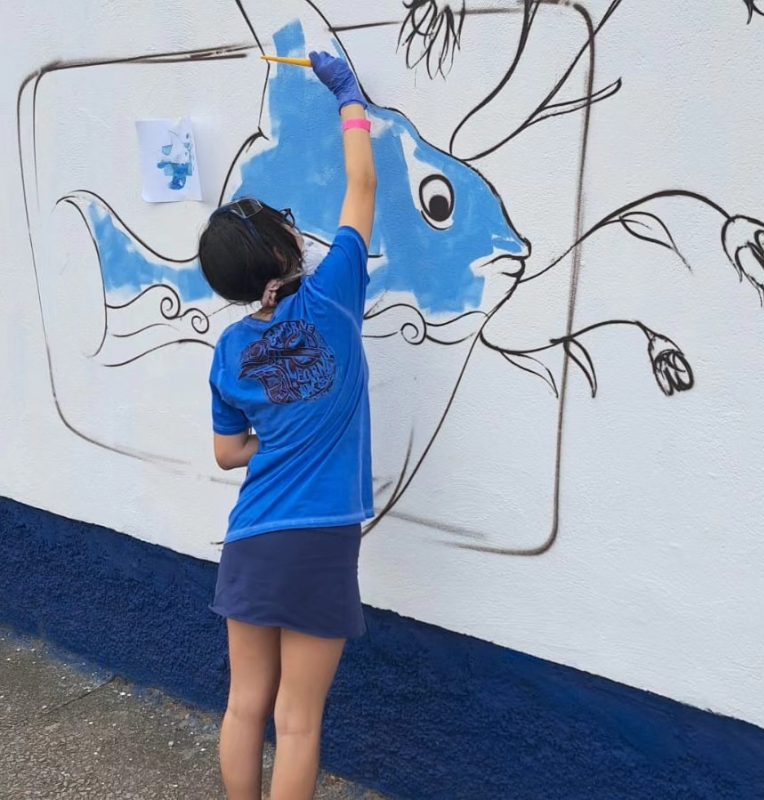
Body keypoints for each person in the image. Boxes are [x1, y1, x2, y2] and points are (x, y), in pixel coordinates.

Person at [197, 52, 376, 800]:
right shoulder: (334, 295)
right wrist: (350, 98)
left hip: (250, 538)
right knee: (298, 723)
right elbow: (362, 186)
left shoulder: (231, 349)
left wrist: (277, 435)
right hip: (319, 541)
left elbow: (226, 451)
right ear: (282, 249)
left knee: (245, 706)